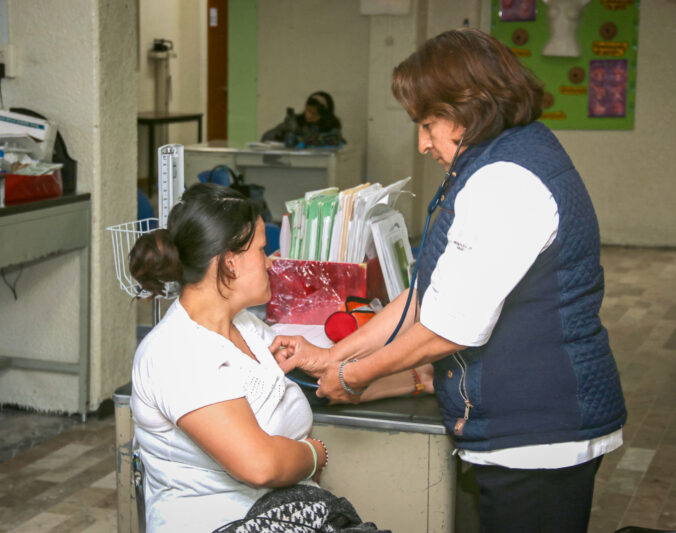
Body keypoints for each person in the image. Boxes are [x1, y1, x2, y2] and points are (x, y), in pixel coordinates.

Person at [270, 28, 626, 532]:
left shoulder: (506, 181)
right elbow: (426, 296)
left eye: (427, 123)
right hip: (522, 426)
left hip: (539, 435)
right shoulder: (499, 157)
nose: (421, 143)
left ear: (469, 106)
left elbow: (450, 328)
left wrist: (356, 375)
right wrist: (331, 356)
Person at [128, 183, 404, 532]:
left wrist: (407, 379)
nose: (271, 262)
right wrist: (314, 454)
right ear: (230, 261)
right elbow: (260, 465)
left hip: (284, 513)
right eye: (262, 250)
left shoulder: (244, 325)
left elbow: (320, 382)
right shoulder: (177, 352)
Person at [261, 90, 344, 147]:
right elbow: (265, 138)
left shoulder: (332, 127)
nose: (308, 116)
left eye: (314, 114)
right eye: (307, 111)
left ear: (324, 116)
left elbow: (331, 142)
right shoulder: (297, 121)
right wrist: (284, 130)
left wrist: (299, 135)